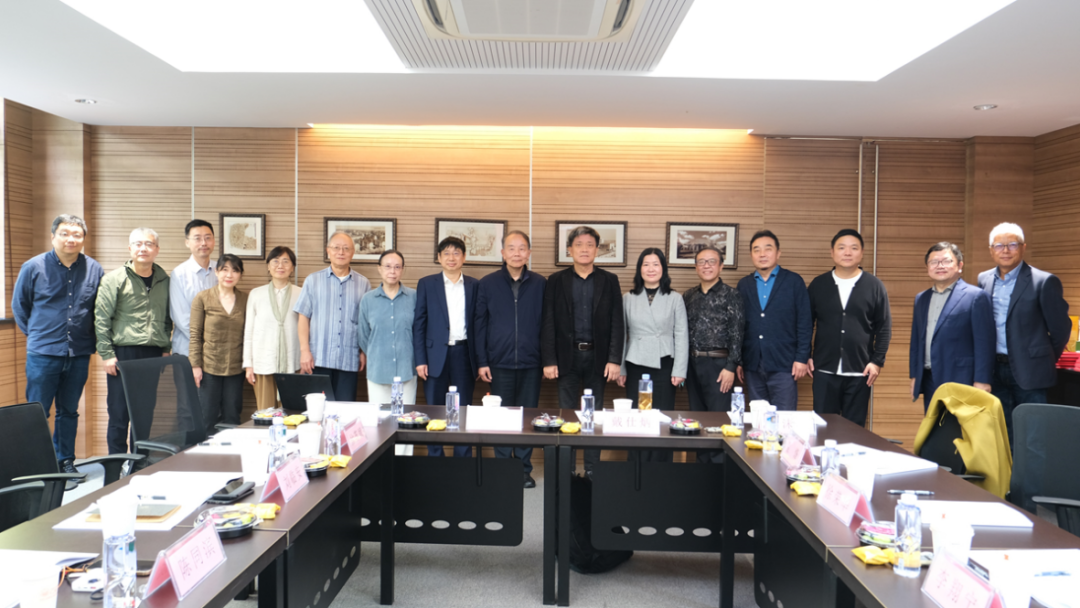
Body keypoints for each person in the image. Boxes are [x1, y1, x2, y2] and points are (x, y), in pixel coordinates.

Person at [12, 214, 104, 478]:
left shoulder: (94, 269)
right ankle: (38, 466)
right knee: (37, 411)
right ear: (53, 236)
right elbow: (20, 306)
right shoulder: (33, 266)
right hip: (43, 354)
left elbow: (98, 310)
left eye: (77, 234)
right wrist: (38, 335)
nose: (70, 239)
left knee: (69, 411)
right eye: (64, 233)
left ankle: (65, 462)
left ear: (83, 239)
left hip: (79, 352)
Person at [977, 222, 1071, 446]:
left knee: (1033, 439)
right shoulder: (983, 279)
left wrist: (1040, 358)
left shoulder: (1044, 281)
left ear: (1023, 247)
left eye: (1012, 244)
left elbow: (1060, 329)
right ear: (991, 250)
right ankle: (1008, 472)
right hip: (994, 371)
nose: (1005, 250)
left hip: (1031, 373)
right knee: (1002, 437)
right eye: (999, 245)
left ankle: (1031, 473)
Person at [542, 226, 624, 475]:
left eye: (590, 245)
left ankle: (591, 470)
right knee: (567, 414)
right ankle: (566, 470)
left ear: (597, 250)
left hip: (598, 358)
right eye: (579, 245)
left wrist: (614, 359)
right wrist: (549, 359)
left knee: (593, 415)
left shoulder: (609, 280)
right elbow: (548, 321)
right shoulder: (556, 280)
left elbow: (617, 322)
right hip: (565, 358)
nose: (584, 249)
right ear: (570, 250)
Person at [475, 231, 546, 486]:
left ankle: (523, 469)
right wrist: (482, 361)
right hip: (498, 361)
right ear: (503, 253)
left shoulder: (540, 283)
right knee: (501, 417)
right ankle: (504, 468)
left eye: (522, 248)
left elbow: (547, 324)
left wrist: (547, 360)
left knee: (527, 417)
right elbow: (479, 324)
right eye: (511, 248)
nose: (517, 253)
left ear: (529, 253)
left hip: (531, 361)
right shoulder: (488, 283)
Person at [95, 227, 173, 454]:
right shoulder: (114, 279)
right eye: (138, 244)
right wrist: (107, 354)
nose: (143, 248)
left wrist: (165, 348)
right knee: (119, 413)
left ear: (157, 249)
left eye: (149, 244)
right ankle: (115, 466)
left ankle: (140, 463)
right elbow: (101, 318)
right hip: (123, 354)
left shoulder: (164, 280)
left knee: (144, 414)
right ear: (130, 248)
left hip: (152, 355)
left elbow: (167, 317)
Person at [808, 229, 892, 427]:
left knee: (854, 430)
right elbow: (806, 323)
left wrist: (877, 361)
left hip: (860, 371)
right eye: (842, 248)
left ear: (861, 253)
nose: (847, 253)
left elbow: (884, 327)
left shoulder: (874, 286)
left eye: (854, 248)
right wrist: (805, 355)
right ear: (832, 252)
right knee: (823, 427)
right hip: (824, 369)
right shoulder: (819, 284)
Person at [618, 247, 687, 463]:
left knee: (662, 417)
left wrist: (680, 369)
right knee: (637, 417)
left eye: (656, 264)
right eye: (646, 264)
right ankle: (636, 467)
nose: (651, 269)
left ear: (663, 268)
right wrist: (621, 368)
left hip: (665, 363)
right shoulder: (628, 298)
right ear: (639, 269)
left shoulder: (675, 298)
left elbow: (681, 334)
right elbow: (621, 335)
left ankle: (660, 469)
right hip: (635, 362)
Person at [414, 236, 479, 458]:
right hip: (434, 356)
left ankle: (462, 459)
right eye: (447, 253)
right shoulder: (426, 283)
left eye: (456, 253)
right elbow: (419, 323)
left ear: (464, 257)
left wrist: (480, 360)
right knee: (435, 409)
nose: (452, 258)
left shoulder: (474, 285)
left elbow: (479, 324)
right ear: (439, 258)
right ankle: (436, 459)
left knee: (463, 409)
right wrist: (420, 359)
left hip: (464, 353)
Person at [909, 242, 994, 410]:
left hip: (962, 378)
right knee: (933, 424)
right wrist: (915, 376)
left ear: (960, 266)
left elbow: (985, 343)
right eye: (934, 262)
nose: (940, 266)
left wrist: (982, 380)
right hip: (929, 377)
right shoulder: (921, 298)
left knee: (959, 425)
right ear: (927, 267)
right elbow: (916, 341)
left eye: (946, 261)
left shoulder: (976, 296)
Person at [736, 230, 812, 410]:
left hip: (785, 363)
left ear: (778, 253)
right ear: (751, 255)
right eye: (756, 250)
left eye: (768, 249)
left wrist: (802, 358)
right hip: (752, 363)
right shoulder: (744, 285)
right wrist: (739, 361)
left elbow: (804, 323)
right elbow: (738, 327)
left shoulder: (794, 281)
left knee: (785, 418)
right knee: (758, 417)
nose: (762, 254)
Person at [683, 246, 743, 464]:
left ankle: (718, 471)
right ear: (696, 267)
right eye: (701, 262)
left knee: (718, 421)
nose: (706, 266)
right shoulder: (688, 296)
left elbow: (738, 333)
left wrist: (731, 367)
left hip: (719, 366)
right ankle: (701, 470)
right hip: (692, 364)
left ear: (721, 266)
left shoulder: (732, 295)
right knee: (697, 420)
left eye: (711, 261)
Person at [294, 231, 371, 401]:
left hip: (349, 359)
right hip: (318, 358)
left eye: (346, 248)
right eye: (336, 248)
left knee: (345, 409)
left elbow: (364, 322)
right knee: (317, 409)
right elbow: (303, 317)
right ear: (328, 250)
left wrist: (363, 351)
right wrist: (304, 351)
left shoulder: (363, 283)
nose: (341, 252)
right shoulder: (313, 280)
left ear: (353, 253)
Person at [190, 254, 248, 434]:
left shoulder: (246, 299)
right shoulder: (203, 298)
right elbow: (195, 334)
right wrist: (195, 365)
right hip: (209, 368)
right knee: (207, 417)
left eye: (235, 270)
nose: (229, 275)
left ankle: (230, 451)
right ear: (216, 272)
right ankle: (205, 452)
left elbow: (250, 335)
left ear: (240, 274)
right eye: (224, 270)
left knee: (232, 418)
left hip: (236, 368)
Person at [243, 246, 302, 409]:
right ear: (268, 266)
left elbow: (307, 330)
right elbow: (249, 332)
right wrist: (248, 364)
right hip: (263, 363)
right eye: (275, 261)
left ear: (292, 267)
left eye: (285, 261)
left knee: (292, 412)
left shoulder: (301, 293)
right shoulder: (256, 294)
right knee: (265, 413)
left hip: (292, 363)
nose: (280, 265)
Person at [359, 250, 418, 407]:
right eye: (388, 266)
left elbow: (420, 332)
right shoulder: (368, 299)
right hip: (378, 370)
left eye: (397, 267)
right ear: (379, 268)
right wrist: (376, 354)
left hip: (407, 369)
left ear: (403, 270)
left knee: (405, 417)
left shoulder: (414, 297)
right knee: (380, 417)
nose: (392, 271)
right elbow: (363, 336)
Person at [169, 220, 217, 358]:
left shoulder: (221, 270)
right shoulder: (179, 274)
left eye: (207, 238)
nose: (203, 243)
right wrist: (206, 341)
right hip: (187, 350)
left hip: (217, 351)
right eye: (197, 238)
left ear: (214, 241)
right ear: (187, 242)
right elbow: (181, 317)